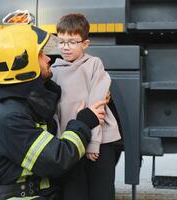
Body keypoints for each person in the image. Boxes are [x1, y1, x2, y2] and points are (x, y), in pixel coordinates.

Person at [0, 24, 107, 200]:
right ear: (23, 64)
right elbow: (57, 159)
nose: (48, 59)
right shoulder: (12, 117)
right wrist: (82, 122)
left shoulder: (28, 107)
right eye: (39, 54)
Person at [51, 13, 121, 200]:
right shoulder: (54, 71)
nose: (66, 47)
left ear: (85, 44)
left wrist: (93, 144)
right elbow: (55, 113)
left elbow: (96, 105)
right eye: (62, 41)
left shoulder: (93, 65)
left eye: (73, 42)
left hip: (98, 142)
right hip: (70, 144)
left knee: (101, 191)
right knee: (74, 191)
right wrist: (60, 144)